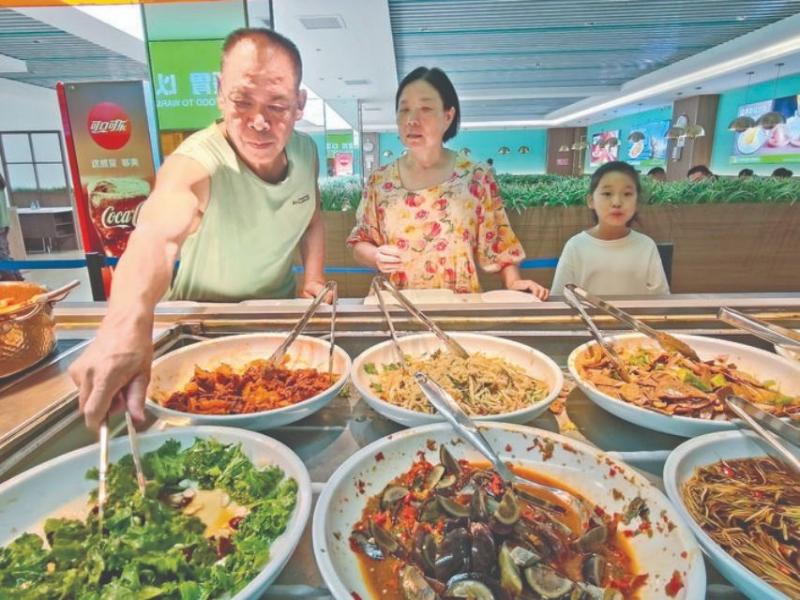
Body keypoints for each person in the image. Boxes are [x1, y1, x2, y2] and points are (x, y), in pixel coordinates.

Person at [69, 28, 327, 431]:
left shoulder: (306, 150)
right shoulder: (198, 161)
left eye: (277, 106)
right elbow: (156, 235)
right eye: (242, 101)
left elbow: (312, 215)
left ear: (299, 104)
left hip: (278, 323)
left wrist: (313, 277)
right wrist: (126, 324)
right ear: (221, 93)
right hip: (200, 329)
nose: (259, 122)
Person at [347, 67, 548, 299]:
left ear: (448, 116)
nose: (412, 120)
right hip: (395, 310)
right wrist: (375, 256)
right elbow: (360, 242)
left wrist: (514, 283)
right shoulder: (380, 182)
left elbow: (500, 247)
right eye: (404, 110)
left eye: (426, 109)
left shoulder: (476, 177)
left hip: (458, 308)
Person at [550, 161, 669, 296]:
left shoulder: (646, 245)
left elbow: (661, 299)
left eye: (627, 194)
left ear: (637, 202)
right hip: (587, 317)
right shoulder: (576, 246)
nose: (617, 202)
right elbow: (560, 298)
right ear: (591, 201)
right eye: (607, 194)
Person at [0, 173, 22, 281]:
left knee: (2, 256)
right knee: (5, 253)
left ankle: (12, 279)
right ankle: (17, 276)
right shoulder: (1, 185)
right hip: (4, 224)